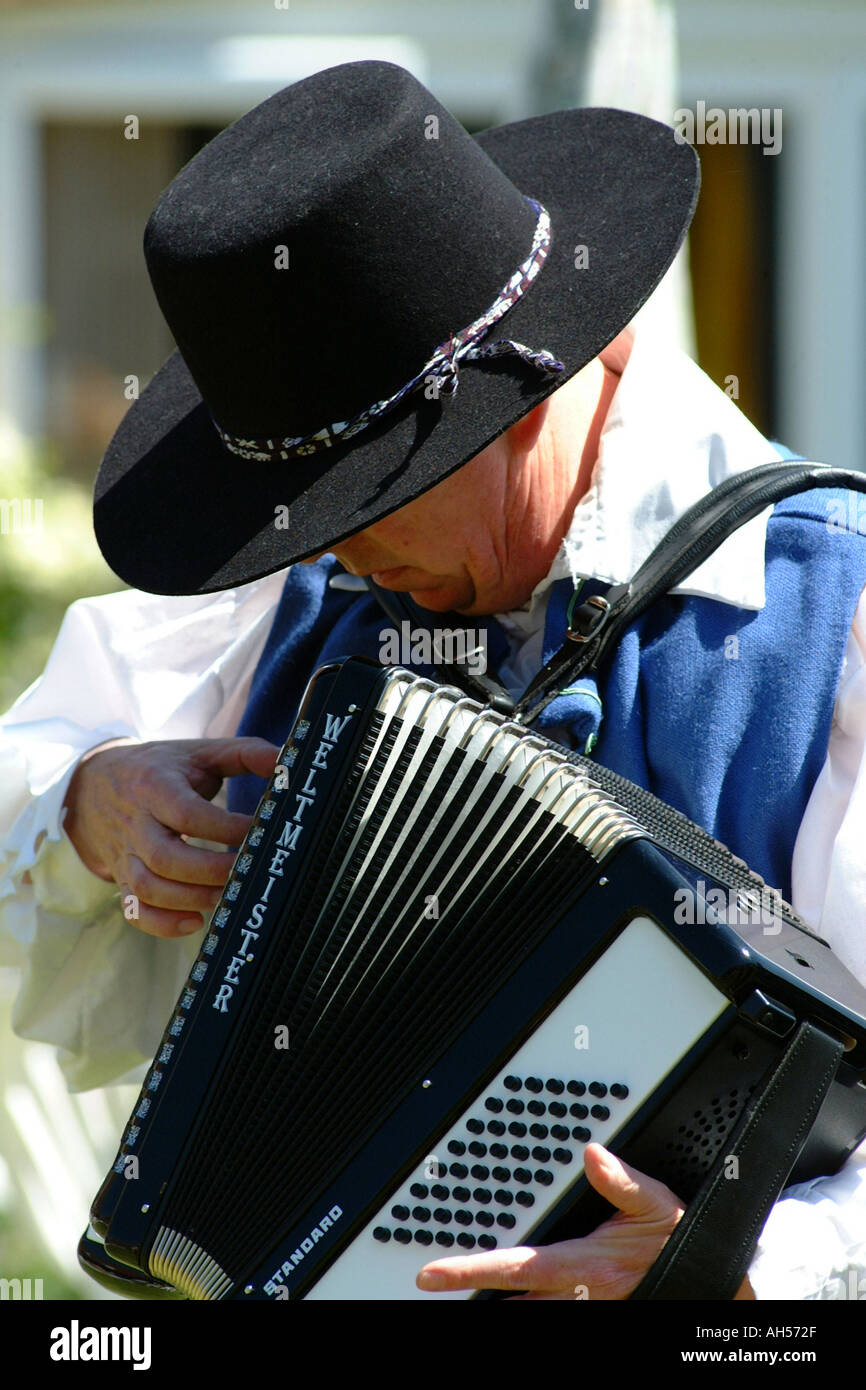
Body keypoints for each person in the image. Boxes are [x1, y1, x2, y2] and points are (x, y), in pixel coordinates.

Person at [2, 60, 865, 1302]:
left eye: (374, 497)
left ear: (527, 399)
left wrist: (745, 1265)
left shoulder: (829, 616)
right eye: (303, 515)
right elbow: (20, 790)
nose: (339, 551)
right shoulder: (301, 595)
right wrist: (90, 804)